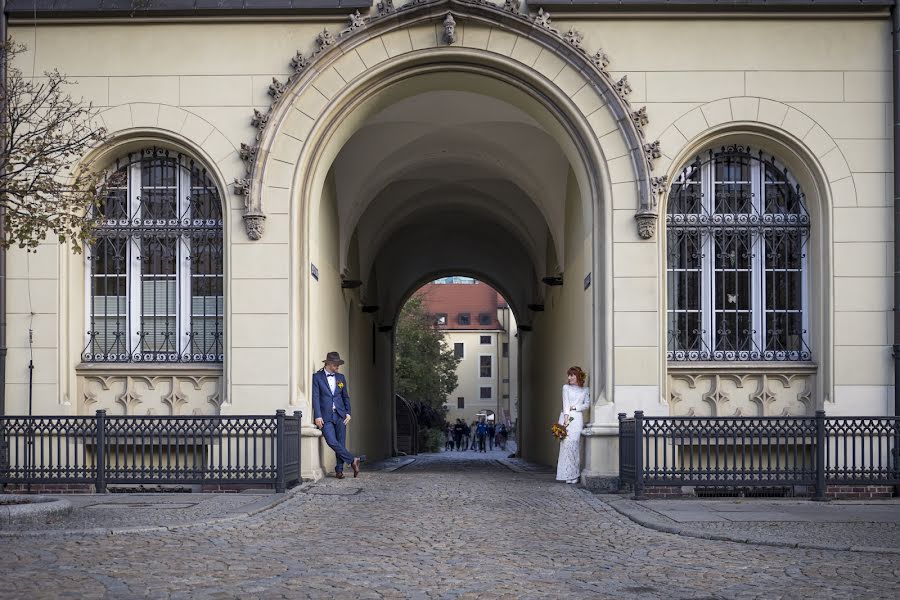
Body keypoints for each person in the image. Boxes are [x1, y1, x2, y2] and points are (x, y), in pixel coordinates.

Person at [312, 351, 360, 479]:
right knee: (331, 441)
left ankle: (339, 471)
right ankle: (352, 460)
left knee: (341, 442)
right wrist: (317, 415)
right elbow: (315, 397)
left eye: (338, 365)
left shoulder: (341, 377)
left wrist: (348, 412)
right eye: (335, 365)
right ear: (328, 364)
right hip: (325, 416)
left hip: (340, 415)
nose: (337, 367)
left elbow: (346, 397)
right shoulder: (317, 377)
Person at [556, 366, 590, 484]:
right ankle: (567, 474)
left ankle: (575, 474)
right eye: (568, 375)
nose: (569, 377)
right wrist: (565, 419)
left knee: (575, 446)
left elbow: (587, 405)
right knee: (566, 446)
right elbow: (565, 402)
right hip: (566, 418)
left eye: (572, 375)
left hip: (577, 418)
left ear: (577, 376)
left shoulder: (585, 390)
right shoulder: (566, 388)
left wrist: (575, 407)